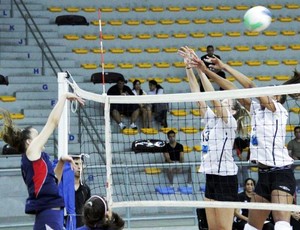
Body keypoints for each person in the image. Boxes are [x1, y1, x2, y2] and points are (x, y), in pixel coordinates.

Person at [193, 55, 300, 230]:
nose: (268, 91)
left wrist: (225, 67)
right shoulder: (256, 110)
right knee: (251, 227)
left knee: (281, 224)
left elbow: (249, 86)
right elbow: (233, 90)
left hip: (281, 172)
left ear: (278, 98)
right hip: (264, 174)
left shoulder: (278, 110)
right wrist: (206, 72)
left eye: (272, 91)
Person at [0, 92, 84, 230]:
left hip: (52, 213)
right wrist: (64, 97)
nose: (40, 137)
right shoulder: (31, 152)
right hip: (48, 213)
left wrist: (61, 162)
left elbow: (54, 181)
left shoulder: (39, 159)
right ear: (29, 142)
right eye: (37, 136)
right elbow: (53, 122)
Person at [178, 46, 239, 230]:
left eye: (227, 100)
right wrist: (189, 67)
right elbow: (198, 95)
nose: (222, 100)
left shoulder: (230, 121)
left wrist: (201, 69)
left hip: (226, 178)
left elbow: (213, 98)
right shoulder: (211, 118)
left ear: (233, 109)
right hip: (211, 176)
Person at [73, 154, 91, 228]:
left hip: (81, 226)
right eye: (76, 164)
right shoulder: (63, 188)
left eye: (81, 164)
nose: (79, 167)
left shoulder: (86, 189)